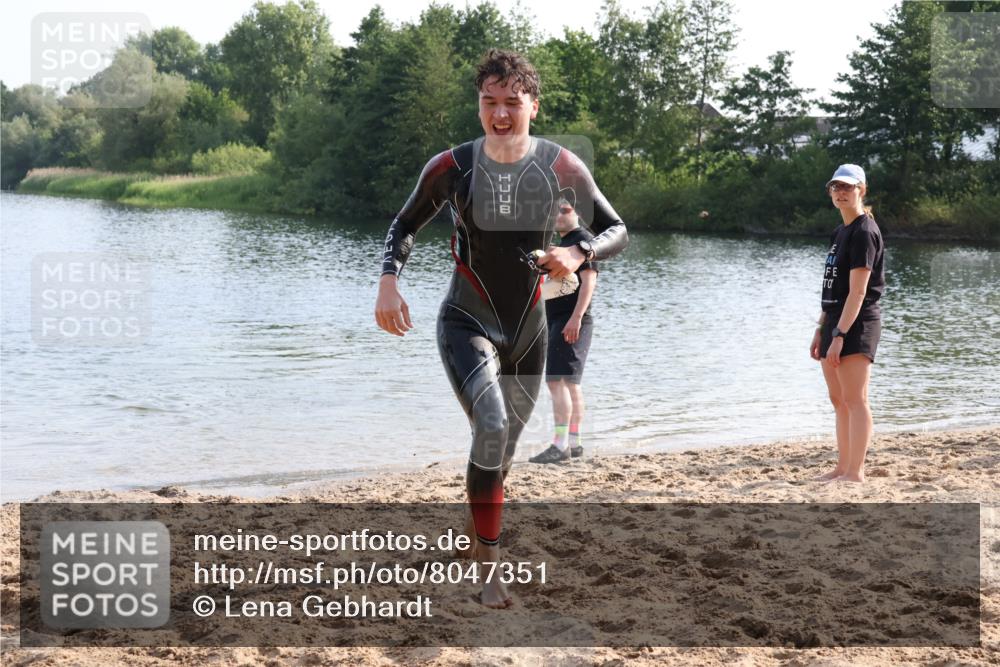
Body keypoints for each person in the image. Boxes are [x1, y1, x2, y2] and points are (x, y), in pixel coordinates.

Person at [374, 49, 628, 607]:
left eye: (512, 102)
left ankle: (477, 535)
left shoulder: (560, 165)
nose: (501, 114)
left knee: (503, 449)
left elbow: (616, 229)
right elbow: (404, 224)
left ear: (533, 105)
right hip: (466, 319)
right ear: (479, 106)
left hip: (530, 331)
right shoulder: (452, 167)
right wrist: (390, 279)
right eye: (490, 102)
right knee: (490, 428)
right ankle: (490, 570)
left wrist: (577, 251)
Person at [810, 164, 885, 483]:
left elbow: (858, 291)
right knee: (838, 399)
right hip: (834, 320)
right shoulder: (840, 231)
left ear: (861, 190)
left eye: (848, 187)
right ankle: (842, 467)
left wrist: (840, 335)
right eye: (836, 187)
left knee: (856, 399)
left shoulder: (865, 231)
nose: (841, 192)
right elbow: (832, 287)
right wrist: (821, 327)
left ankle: (856, 472)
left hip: (856, 322)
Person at [530, 200, 598, 464]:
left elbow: (588, 282)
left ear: (579, 213)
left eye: (564, 209)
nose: (557, 215)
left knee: (556, 382)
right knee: (570, 383)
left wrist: (576, 319)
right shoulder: (564, 245)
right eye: (554, 211)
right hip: (561, 318)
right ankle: (574, 443)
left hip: (571, 320)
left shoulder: (582, 242)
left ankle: (560, 446)